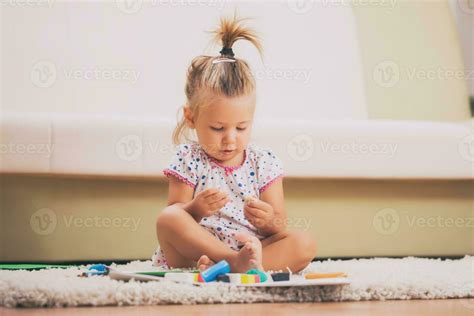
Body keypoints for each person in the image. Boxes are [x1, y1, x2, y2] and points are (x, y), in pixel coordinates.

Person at [152, 15, 316, 273]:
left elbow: (279, 223)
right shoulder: (188, 157)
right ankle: (231, 264)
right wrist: (195, 208)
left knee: (304, 243)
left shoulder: (263, 161)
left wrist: (267, 220)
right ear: (191, 117)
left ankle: (231, 267)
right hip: (195, 254)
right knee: (169, 218)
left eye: (241, 128)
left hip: (250, 250)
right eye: (217, 128)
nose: (230, 139)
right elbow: (176, 212)